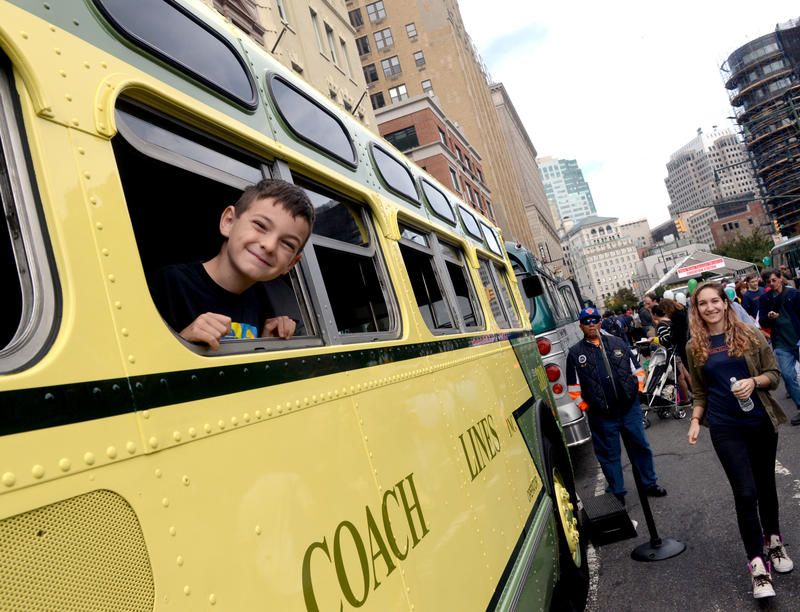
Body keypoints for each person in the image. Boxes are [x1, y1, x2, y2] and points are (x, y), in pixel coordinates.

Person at [686, 282, 791, 600]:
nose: (710, 308)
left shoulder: (750, 334)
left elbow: (774, 375)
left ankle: (774, 540)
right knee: (745, 493)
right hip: (725, 427)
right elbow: (700, 392)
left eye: (714, 301)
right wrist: (695, 420)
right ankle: (758, 567)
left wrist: (753, 381)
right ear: (697, 309)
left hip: (760, 422)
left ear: (725, 303)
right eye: (703, 303)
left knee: (765, 487)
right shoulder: (694, 346)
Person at [151, 179, 315, 349]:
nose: (269, 246)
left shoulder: (267, 304)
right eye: (260, 225)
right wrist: (183, 341)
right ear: (228, 221)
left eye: (287, 244)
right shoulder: (168, 283)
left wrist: (265, 343)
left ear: (291, 263)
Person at [566, 307, 667, 505]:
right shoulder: (575, 353)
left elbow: (638, 371)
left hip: (629, 410)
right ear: (581, 326)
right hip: (602, 416)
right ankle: (617, 493)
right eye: (586, 321)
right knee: (609, 455)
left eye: (594, 320)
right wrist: (588, 408)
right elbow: (573, 389)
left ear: (600, 322)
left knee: (640, 447)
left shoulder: (617, 343)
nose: (591, 324)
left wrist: (637, 394)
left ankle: (649, 484)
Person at [758, 269, 800, 425]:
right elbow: (762, 321)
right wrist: (769, 317)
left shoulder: (793, 294)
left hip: (797, 339)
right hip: (781, 344)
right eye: (768, 282)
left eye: (774, 280)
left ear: (781, 278)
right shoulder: (765, 298)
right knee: (788, 376)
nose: (771, 284)